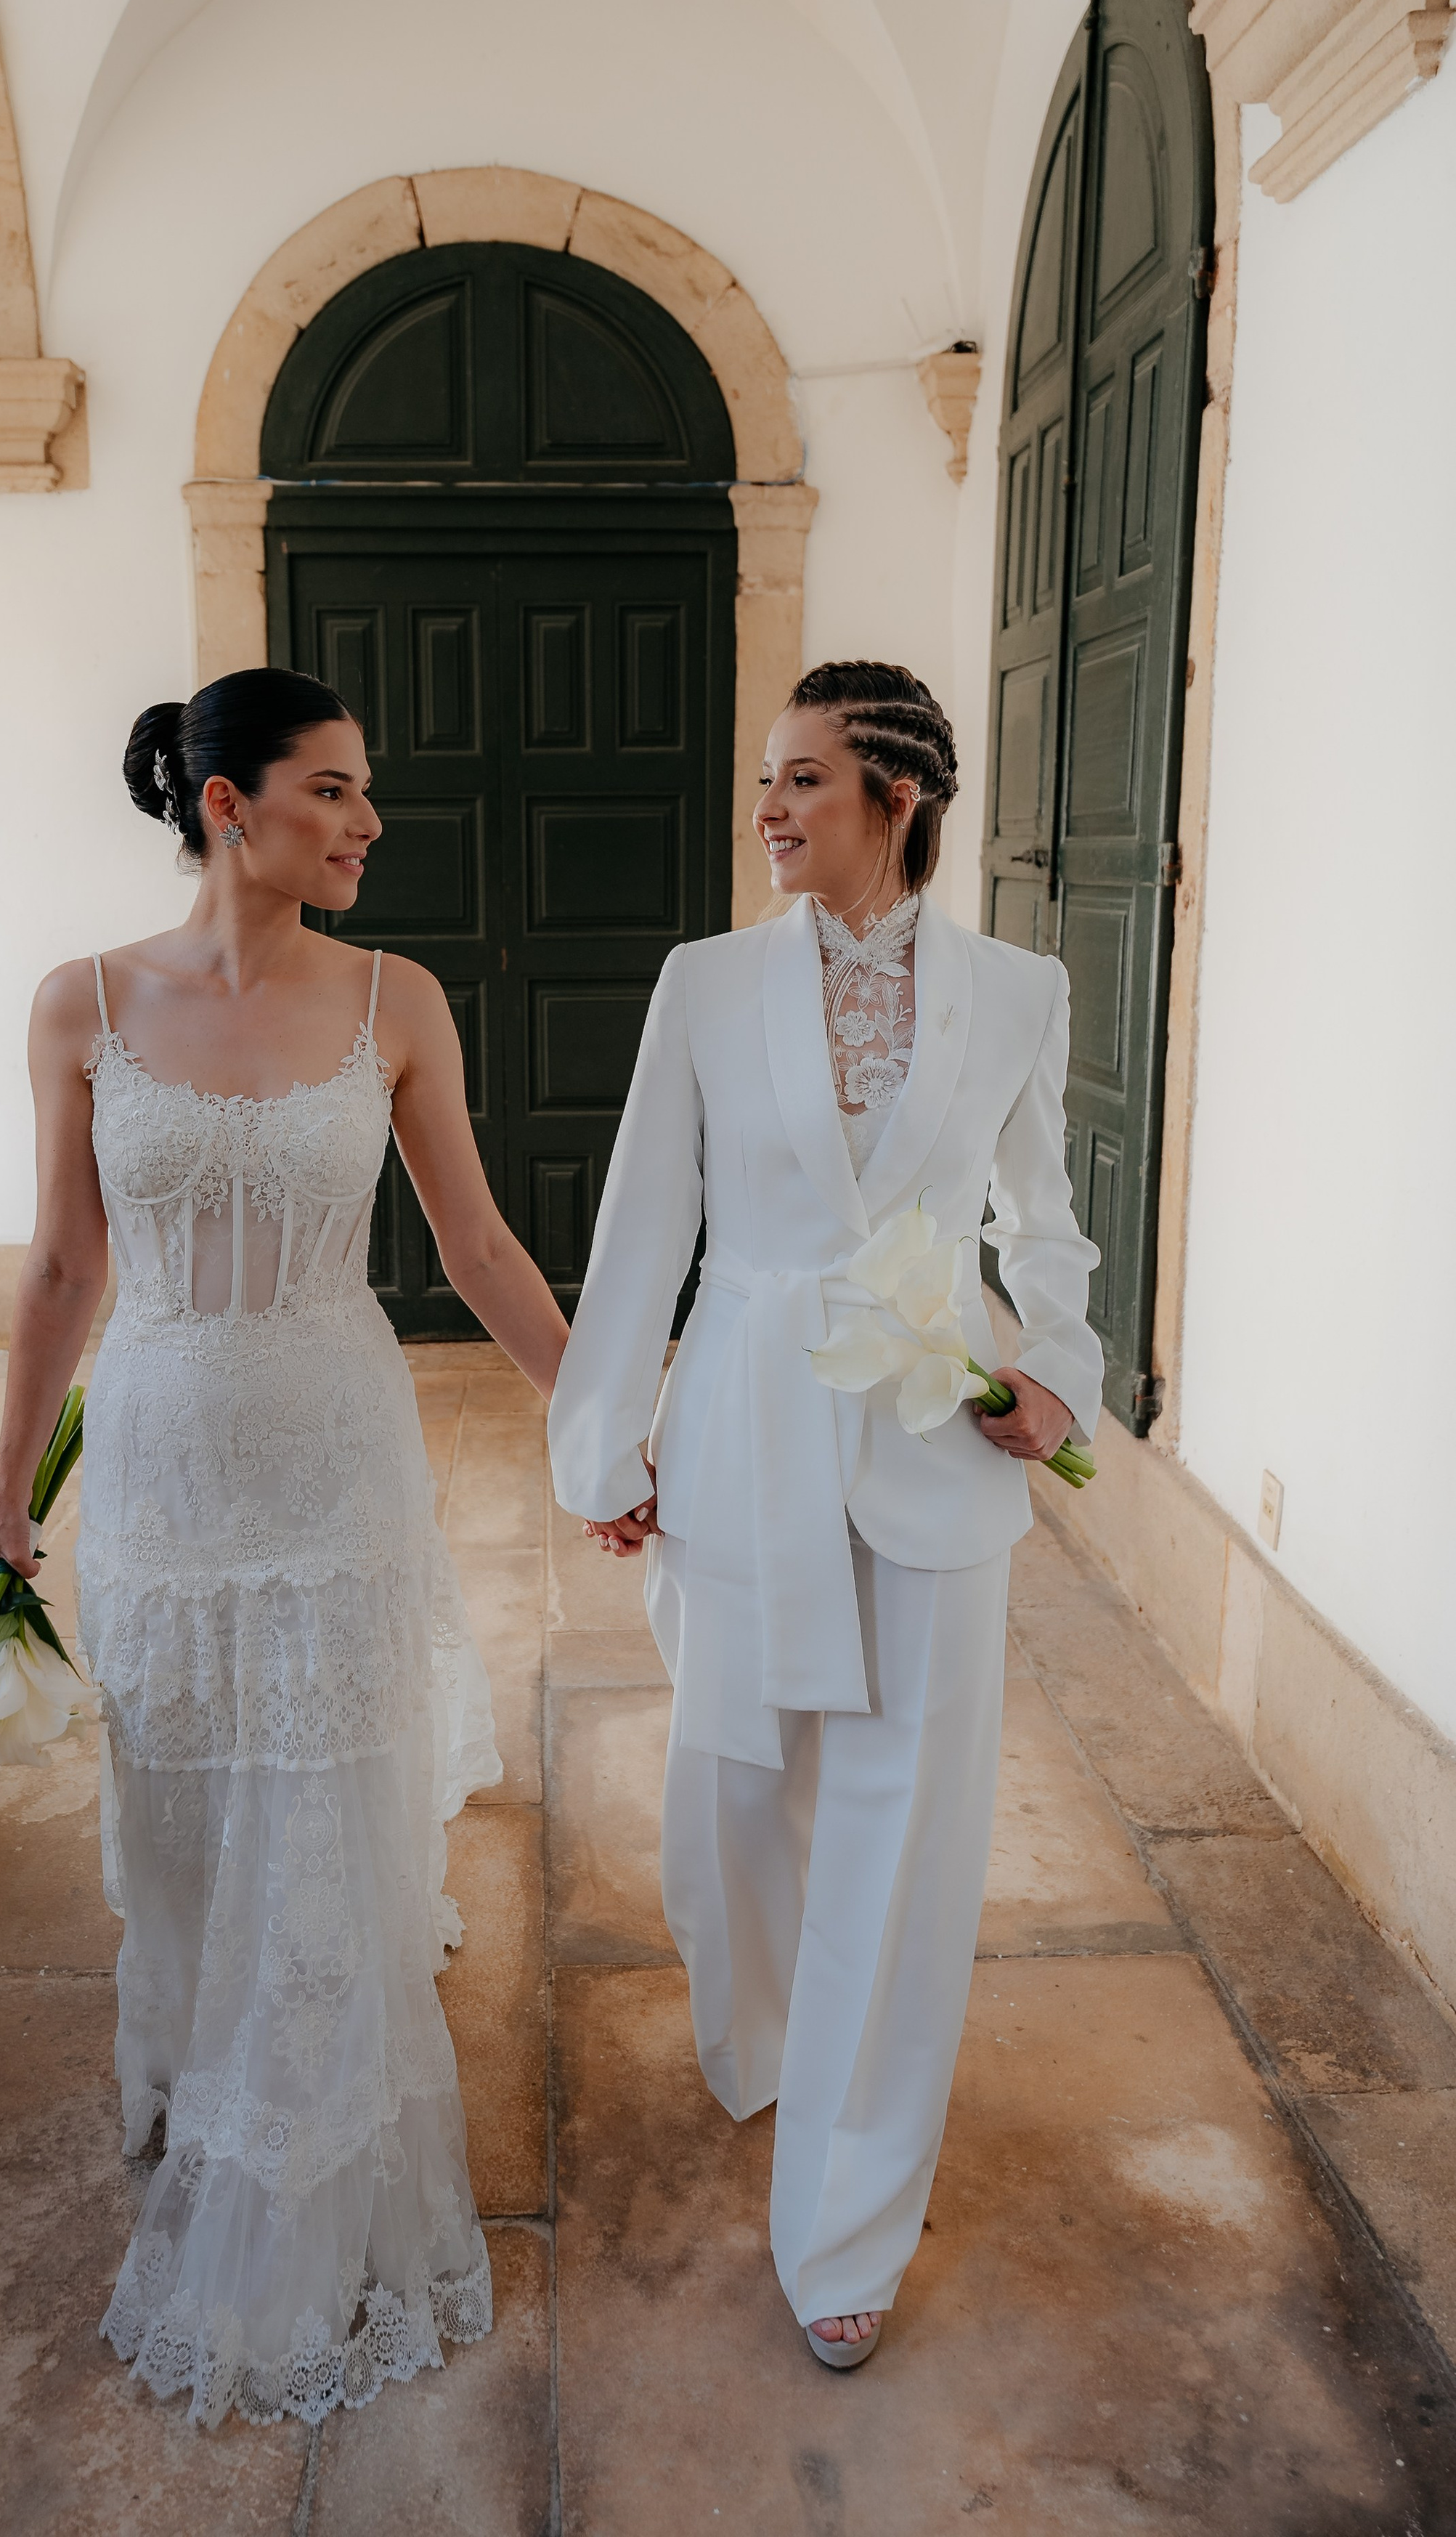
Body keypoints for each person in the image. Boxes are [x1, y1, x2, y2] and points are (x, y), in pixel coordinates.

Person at [0, 667, 569, 2428]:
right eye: (330, 791)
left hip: (332, 1463)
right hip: (154, 1470)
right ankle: (195, 2076)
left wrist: (614, 1419)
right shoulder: (79, 1005)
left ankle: (310, 2161)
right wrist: (9, 1490)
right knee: (183, 1807)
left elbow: (476, 1247)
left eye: (363, 791)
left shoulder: (394, 999)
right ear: (225, 807)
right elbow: (62, 1268)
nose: (366, 822)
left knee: (317, 1811)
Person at [546, 659, 1101, 2371]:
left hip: (936, 1436)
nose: (768, 810)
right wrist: (606, 1443)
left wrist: (1062, 1368)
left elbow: (1044, 1221)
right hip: (741, 1421)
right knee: (732, 1795)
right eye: (764, 782)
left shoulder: (1016, 990)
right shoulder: (706, 984)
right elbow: (645, 1221)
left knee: (900, 1825)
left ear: (896, 796)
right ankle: (772, 2034)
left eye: (799, 780)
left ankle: (845, 2213)